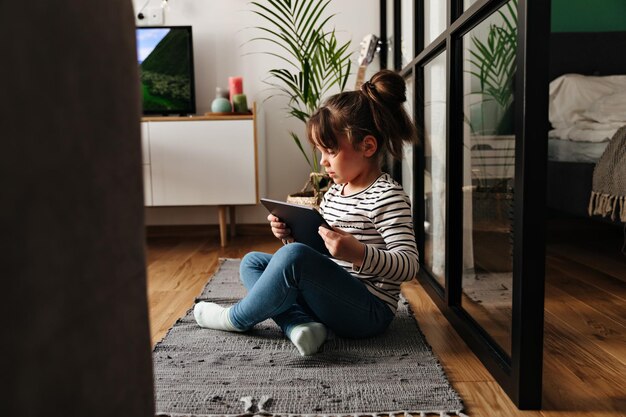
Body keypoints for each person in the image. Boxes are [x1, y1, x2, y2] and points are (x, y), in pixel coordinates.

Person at [193, 69, 420, 356]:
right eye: (321, 151)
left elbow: (410, 265)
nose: (323, 161)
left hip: (367, 313)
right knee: (252, 262)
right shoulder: (336, 191)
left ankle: (236, 318)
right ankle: (299, 326)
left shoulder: (387, 196)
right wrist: (289, 236)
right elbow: (314, 253)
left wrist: (358, 254)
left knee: (291, 259)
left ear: (368, 146)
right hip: (330, 299)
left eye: (330, 151)